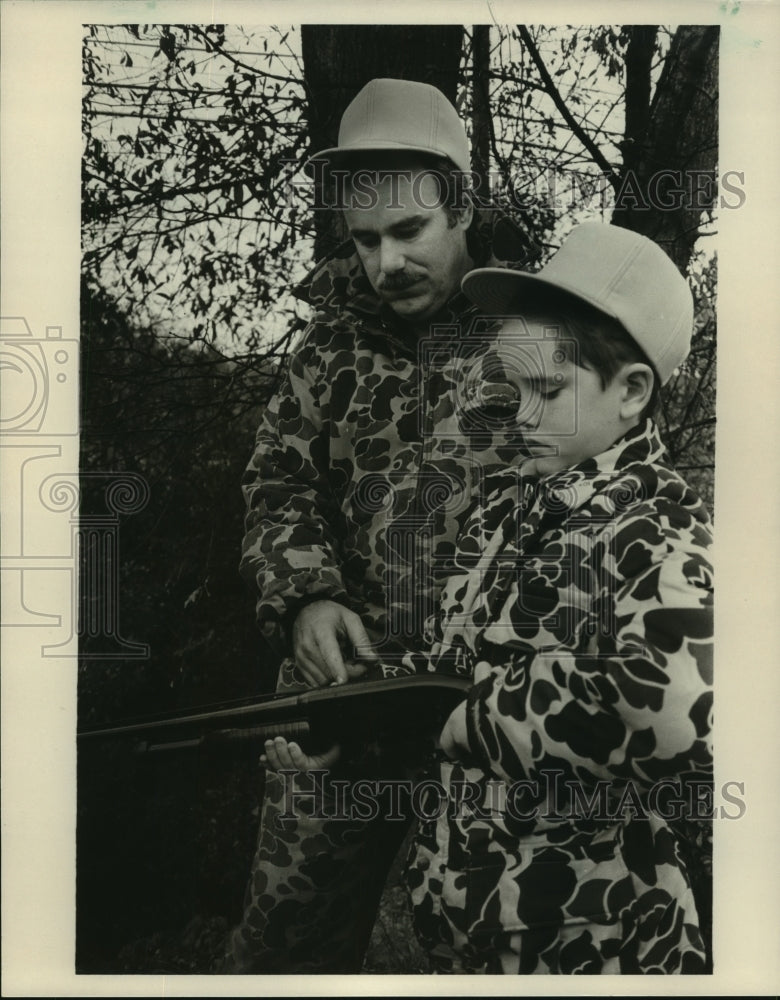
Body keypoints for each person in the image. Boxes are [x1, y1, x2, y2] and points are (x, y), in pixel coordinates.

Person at [225, 77, 531, 974]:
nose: (385, 263)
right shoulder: (325, 347)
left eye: (409, 233)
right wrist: (306, 600)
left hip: (489, 712)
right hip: (343, 705)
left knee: (484, 946)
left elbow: (591, 503)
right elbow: (278, 482)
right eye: (365, 241)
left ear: (461, 204)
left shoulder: (542, 338)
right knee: (284, 944)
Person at [403, 222, 714, 974]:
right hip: (475, 920)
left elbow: (679, 721)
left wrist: (477, 717)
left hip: (597, 939)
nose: (524, 414)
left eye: (550, 389)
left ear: (632, 392)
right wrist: (363, 712)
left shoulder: (660, 527)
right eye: (516, 388)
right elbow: (455, 659)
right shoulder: (508, 509)